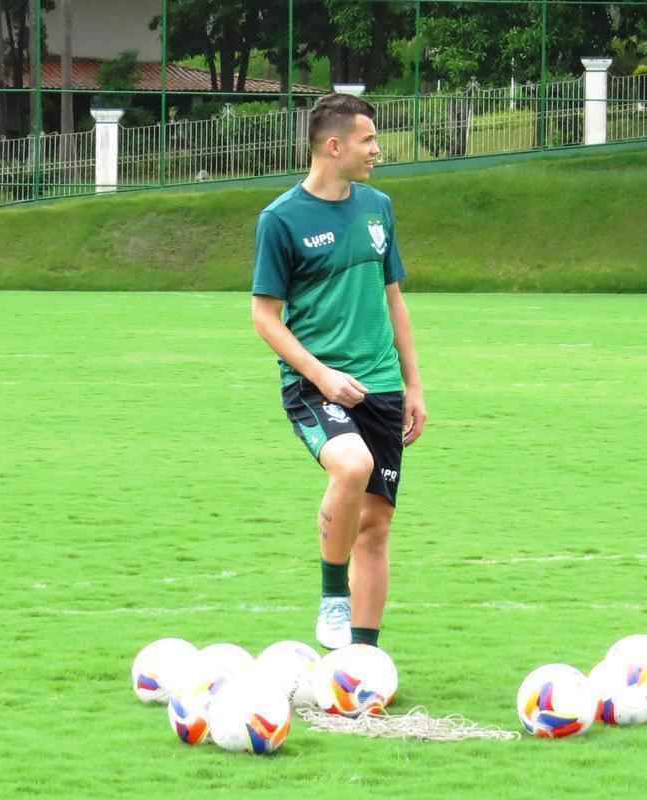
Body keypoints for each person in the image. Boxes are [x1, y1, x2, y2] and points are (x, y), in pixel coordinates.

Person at [251, 93, 426, 650]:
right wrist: (322, 375)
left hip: (382, 388)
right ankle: (332, 596)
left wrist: (414, 385)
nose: (377, 149)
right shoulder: (280, 220)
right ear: (334, 146)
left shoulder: (378, 207)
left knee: (375, 530)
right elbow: (264, 316)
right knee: (351, 465)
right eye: (367, 140)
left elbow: (394, 299)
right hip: (315, 386)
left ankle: (362, 659)